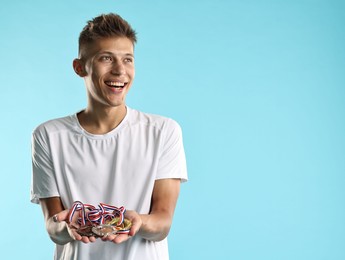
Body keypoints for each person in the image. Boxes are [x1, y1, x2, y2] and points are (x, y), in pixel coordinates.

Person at [30, 13, 188, 260]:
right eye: (106, 58)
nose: (120, 70)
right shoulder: (48, 136)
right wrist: (67, 227)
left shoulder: (163, 131)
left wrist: (138, 222)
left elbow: (163, 222)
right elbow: (53, 227)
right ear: (80, 67)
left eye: (128, 59)